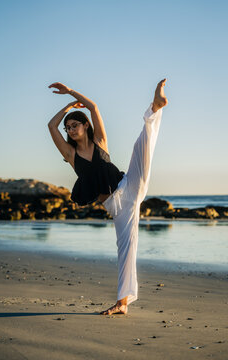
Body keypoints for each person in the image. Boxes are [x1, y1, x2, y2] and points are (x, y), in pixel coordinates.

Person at [48, 79, 168, 315]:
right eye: (68, 128)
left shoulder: (99, 140)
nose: (71, 130)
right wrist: (68, 107)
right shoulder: (70, 154)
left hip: (129, 184)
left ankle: (155, 107)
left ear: (85, 126)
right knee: (126, 248)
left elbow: (94, 109)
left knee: (140, 147)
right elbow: (51, 126)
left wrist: (72, 92)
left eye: (74, 125)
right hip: (119, 206)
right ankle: (122, 303)